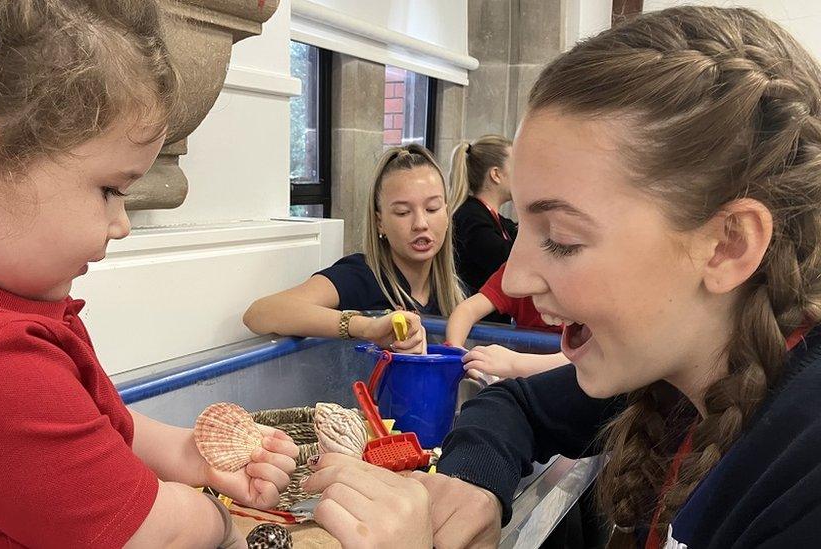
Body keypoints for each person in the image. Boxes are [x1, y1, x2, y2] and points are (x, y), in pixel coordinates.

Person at [311, 6, 821, 548]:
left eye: (562, 238)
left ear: (728, 244)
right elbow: (515, 404)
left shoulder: (800, 470)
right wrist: (474, 483)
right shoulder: (677, 366)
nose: (514, 281)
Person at [0, 2, 297, 547]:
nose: (121, 224)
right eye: (110, 189)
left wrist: (183, 453)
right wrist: (221, 518)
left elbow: (81, 427)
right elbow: (154, 535)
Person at [244, 144, 465, 353]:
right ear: (380, 222)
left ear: (447, 213)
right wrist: (366, 328)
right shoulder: (360, 275)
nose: (420, 223)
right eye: (402, 212)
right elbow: (260, 313)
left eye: (432, 208)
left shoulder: (457, 293)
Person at [446, 264, 568, 380]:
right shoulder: (518, 273)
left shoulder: (583, 281)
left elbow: (582, 362)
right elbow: (467, 310)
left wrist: (514, 364)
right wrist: (457, 351)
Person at [449, 135, 516, 301]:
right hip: (476, 322)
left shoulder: (497, 221)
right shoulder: (470, 217)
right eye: (517, 167)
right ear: (496, 175)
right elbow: (510, 261)